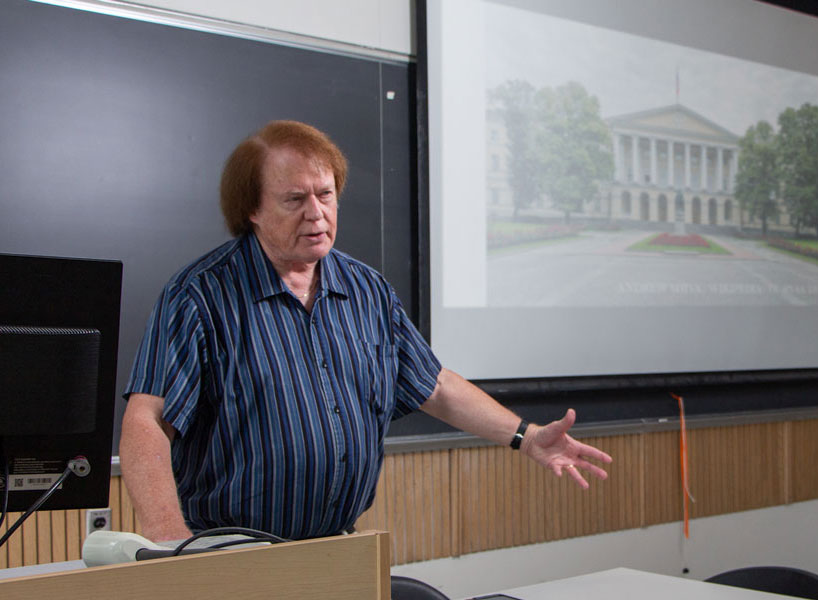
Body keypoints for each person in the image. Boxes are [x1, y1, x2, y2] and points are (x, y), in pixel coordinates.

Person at [119, 120, 612, 543]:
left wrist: (524, 437)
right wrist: (170, 542)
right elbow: (147, 419)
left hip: (339, 549)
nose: (316, 213)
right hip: (232, 558)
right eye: (294, 199)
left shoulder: (367, 290)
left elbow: (434, 385)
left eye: (326, 194)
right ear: (251, 208)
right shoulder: (200, 296)